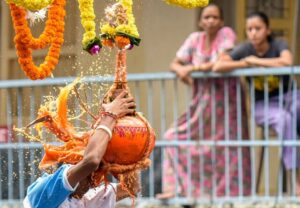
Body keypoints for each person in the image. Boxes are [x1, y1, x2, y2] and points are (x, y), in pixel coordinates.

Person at [156, 3, 251, 199]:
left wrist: (191, 69)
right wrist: (184, 72)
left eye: (215, 17)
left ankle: (233, 194)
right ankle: (177, 189)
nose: (211, 21)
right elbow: (175, 63)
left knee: (229, 144)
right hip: (202, 99)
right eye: (206, 17)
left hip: (227, 99)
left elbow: (218, 63)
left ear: (221, 21)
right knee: (173, 136)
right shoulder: (194, 39)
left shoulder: (226, 34)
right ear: (200, 21)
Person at [213, 11, 300, 194]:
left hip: (290, 97)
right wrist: (246, 63)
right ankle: (297, 180)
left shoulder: (278, 44)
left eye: (258, 28)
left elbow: (287, 61)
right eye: (249, 29)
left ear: (267, 30)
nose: (253, 33)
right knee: (284, 120)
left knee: (295, 114)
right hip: (264, 106)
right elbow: (219, 65)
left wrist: (258, 62)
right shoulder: (245, 50)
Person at [23, 91, 140, 208]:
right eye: (90, 174)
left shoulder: (86, 198)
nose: (95, 181)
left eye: (97, 175)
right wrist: (110, 116)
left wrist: (126, 142)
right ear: (73, 166)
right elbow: (91, 161)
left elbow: (132, 188)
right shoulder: (45, 190)